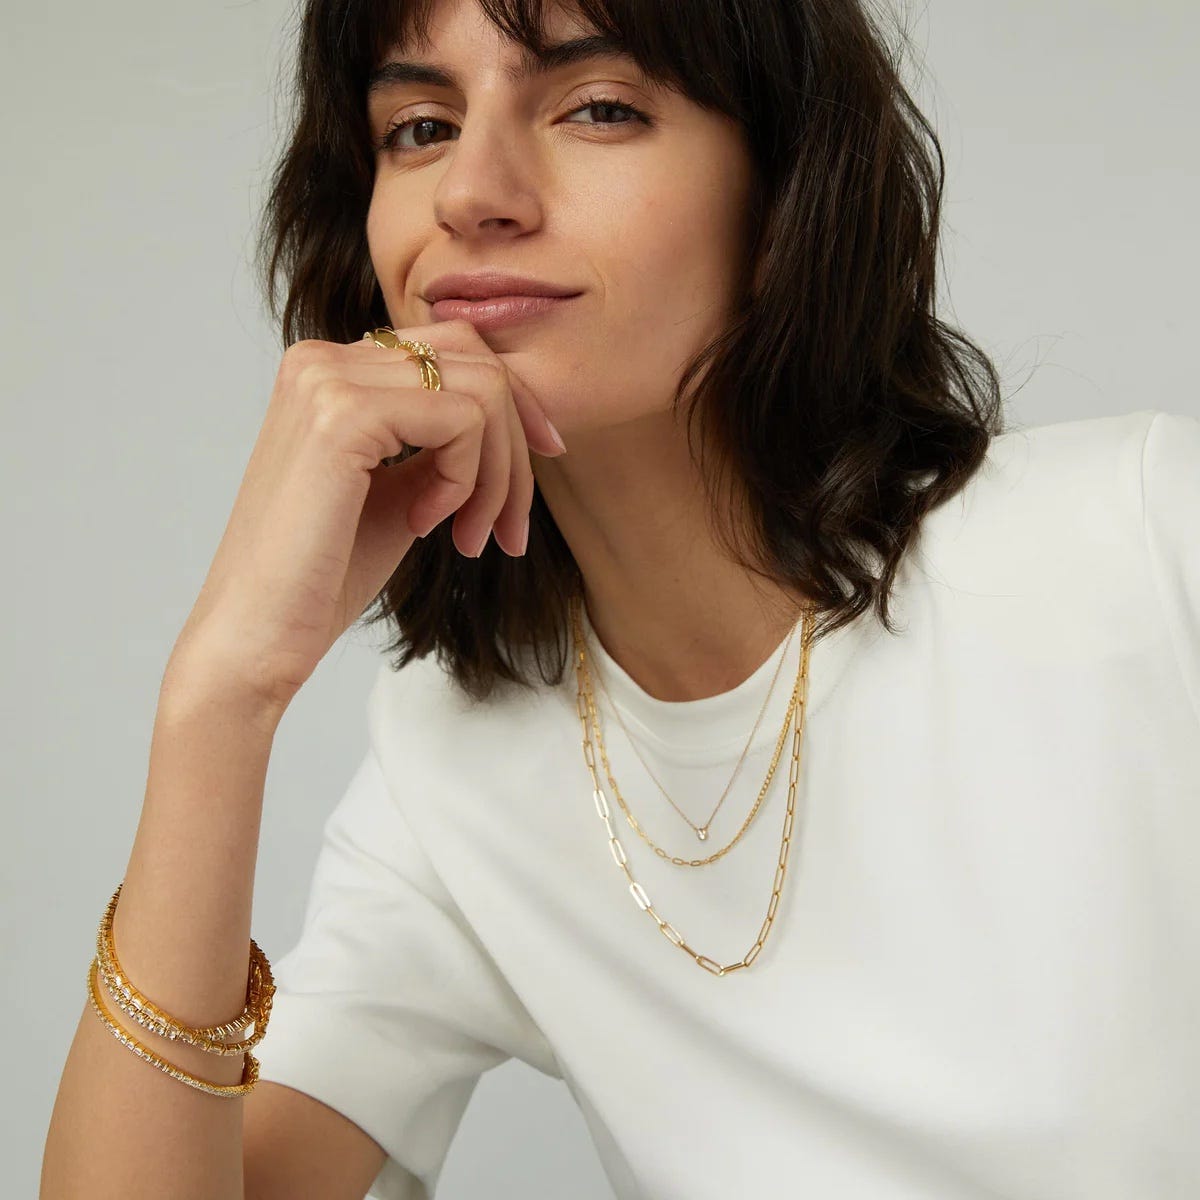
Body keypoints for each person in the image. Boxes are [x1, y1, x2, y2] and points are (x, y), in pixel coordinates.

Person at [42, 0, 1199, 1197]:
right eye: (421, 125)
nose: (472, 192)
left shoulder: (1146, 540)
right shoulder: (457, 764)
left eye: (599, 107)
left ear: (786, 184)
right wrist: (223, 693)